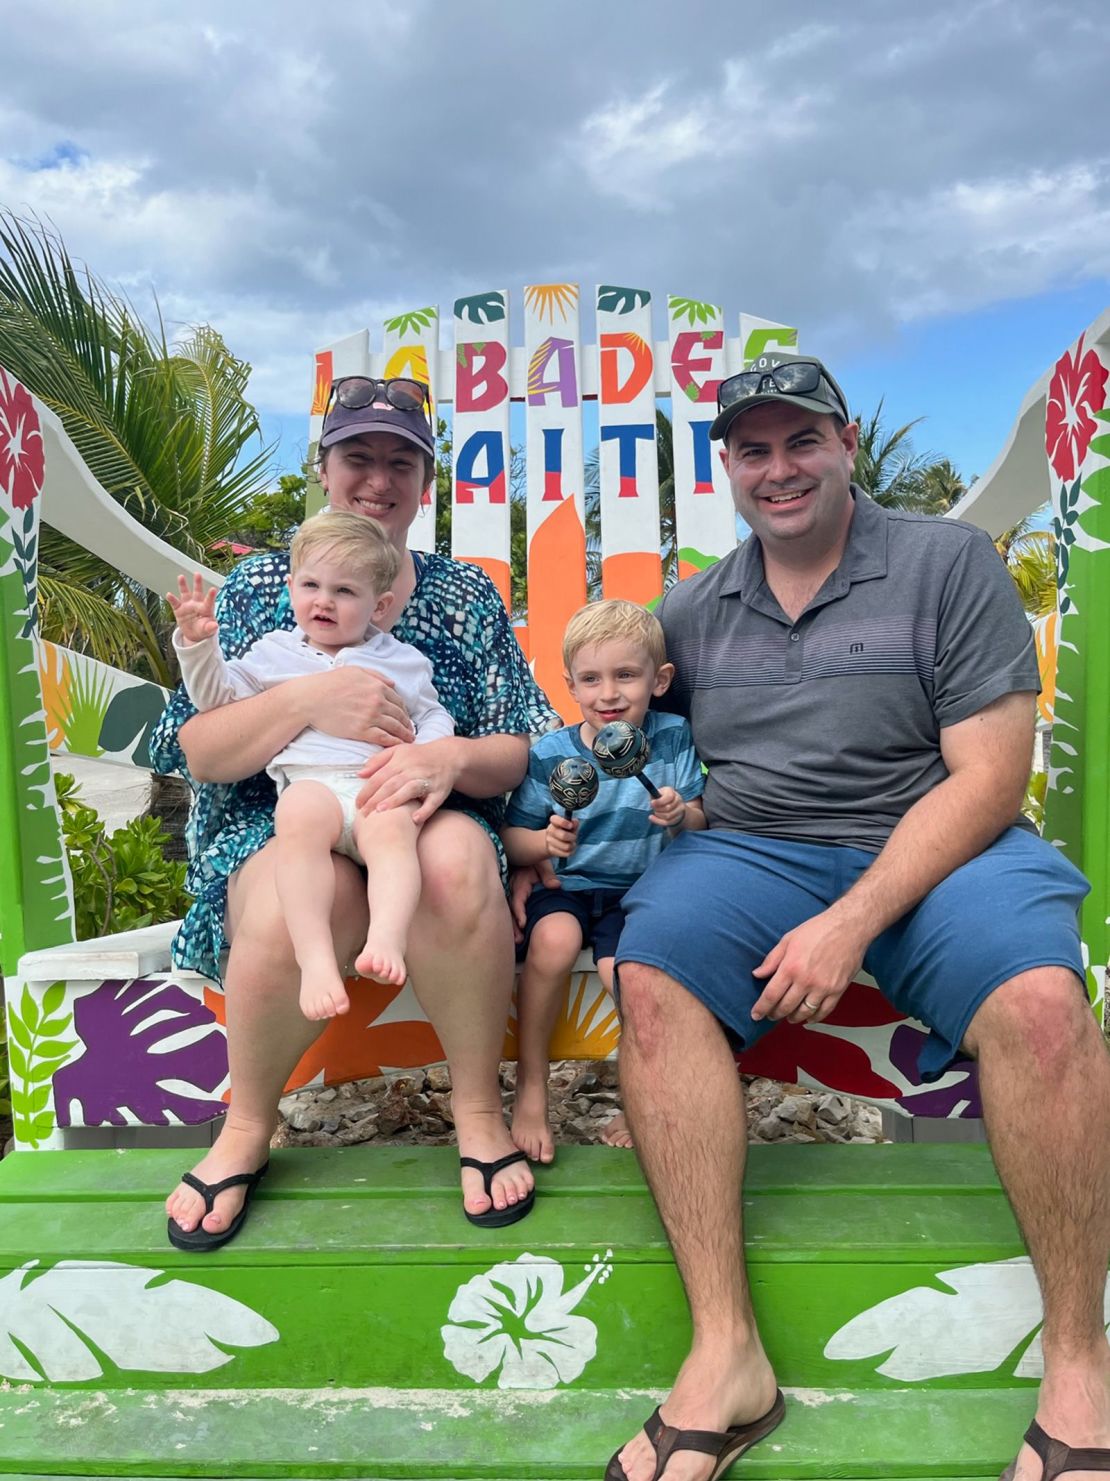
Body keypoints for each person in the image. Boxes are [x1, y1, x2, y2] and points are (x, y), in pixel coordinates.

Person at [604, 353, 1110, 1481]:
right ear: (726, 465)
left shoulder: (948, 562)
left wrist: (854, 918)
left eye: (800, 441)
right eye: (752, 449)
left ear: (844, 443)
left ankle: (1080, 1364)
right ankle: (727, 1353)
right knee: (651, 972)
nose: (778, 468)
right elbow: (601, 717)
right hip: (749, 848)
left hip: (936, 842)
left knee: (1039, 1003)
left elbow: (988, 776)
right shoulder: (693, 609)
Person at [154, 374, 560, 1251]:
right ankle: (247, 1127)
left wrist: (445, 758)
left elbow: (519, 744)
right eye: (357, 458)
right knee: (304, 889)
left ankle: (478, 1112)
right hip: (283, 806)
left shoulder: (463, 596)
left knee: (453, 865)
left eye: (399, 463)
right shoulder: (263, 586)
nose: (377, 480)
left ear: (425, 484)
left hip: (415, 805)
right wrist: (314, 701)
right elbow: (197, 746)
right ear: (324, 468)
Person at [168, 511, 456, 1017]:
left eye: (345, 591)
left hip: (376, 785)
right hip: (311, 786)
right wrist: (198, 645)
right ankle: (316, 958)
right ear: (292, 587)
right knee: (296, 824)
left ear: (380, 605)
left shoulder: (402, 659)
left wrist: (423, 756)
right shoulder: (274, 654)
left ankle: (386, 939)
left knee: (394, 837)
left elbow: (432, 715)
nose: (323, 600)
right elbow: (219, 697)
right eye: (311, 584)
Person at [501, 599, 705, 1162]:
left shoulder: (670, 739)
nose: (608, 694)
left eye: (626, 676)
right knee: (556, 942)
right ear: (571, 686)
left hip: (641, 890)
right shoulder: (551, 753)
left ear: (659, 680)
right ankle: (533, 1087)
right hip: (567, 887)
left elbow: (700, 814)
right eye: (591, 679)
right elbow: (512, 838)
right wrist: (544, 843)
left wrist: (679, 813)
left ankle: (640, 1095)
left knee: (629, 972)